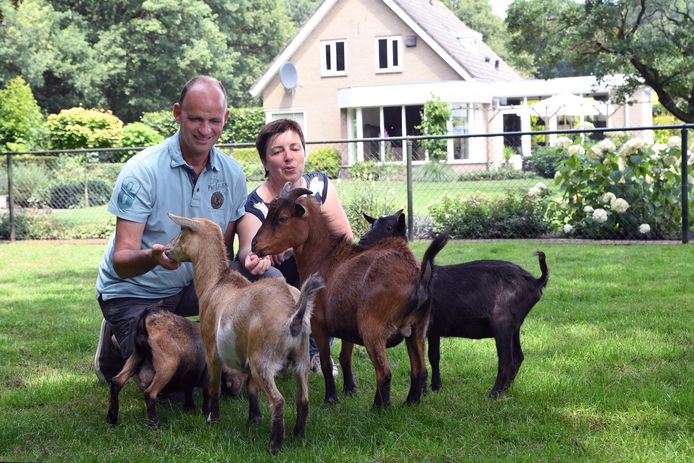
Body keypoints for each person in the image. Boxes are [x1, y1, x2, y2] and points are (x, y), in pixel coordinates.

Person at [94, 76, 247, 383]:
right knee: (167, 378)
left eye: (214, 120)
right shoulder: (142, 170)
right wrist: (153, 257)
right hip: (134, 291)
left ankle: (211, 353)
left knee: (263, 281)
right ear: (177, 113)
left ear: (226, 118)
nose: (206, 130)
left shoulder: (232, 174)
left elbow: (224, 252)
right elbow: (121, 262)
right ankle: (118, 341)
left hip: (192, 289)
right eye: (195, 119)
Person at [236, 118, 353, 375]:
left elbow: (345, 238)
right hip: (280, 283)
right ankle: (275, 349)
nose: (289, 157)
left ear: (304, 152)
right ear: (265, 162)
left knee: (330, 272)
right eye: (278, 151)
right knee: (272, 277)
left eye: (295, 148)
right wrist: (258, 258)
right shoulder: (256, 203)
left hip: (314, 278)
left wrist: (294, 246)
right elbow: (247, 247)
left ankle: (316, 352)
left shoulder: (319, 186)